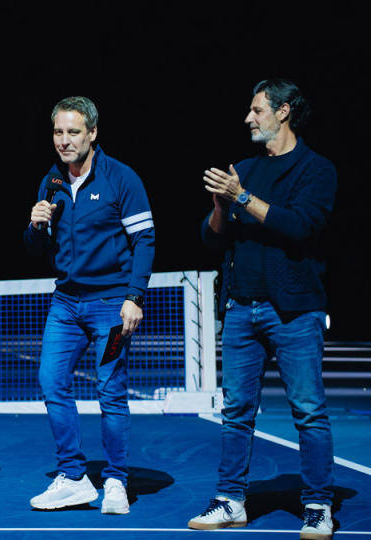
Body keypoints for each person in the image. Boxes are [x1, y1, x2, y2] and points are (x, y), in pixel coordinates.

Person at [188, 79, 336, 539]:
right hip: (240, 309)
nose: (248, 118)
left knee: (308, 411)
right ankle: (230, 499)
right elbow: (213, 238)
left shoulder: (317, 169)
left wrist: (242, 198)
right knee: (236, 412)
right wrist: (219, 206)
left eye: (256, 110)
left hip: (294, 312)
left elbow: (300, 226)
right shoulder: (245, 169)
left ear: (283, 111)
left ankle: (317, 504)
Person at [23, 96, 155, 514]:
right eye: (59, 132)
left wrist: (134, 297)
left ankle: (116, 481)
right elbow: (35, 248)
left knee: (111, 392)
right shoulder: (52, 182)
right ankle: (74, 478)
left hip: (112, 306)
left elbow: (145, 241)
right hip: (65, 305)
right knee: (51, 383)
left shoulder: (122, 178)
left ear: (93, 133)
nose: (64, 141)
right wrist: (35, 224)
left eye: (73, 132)